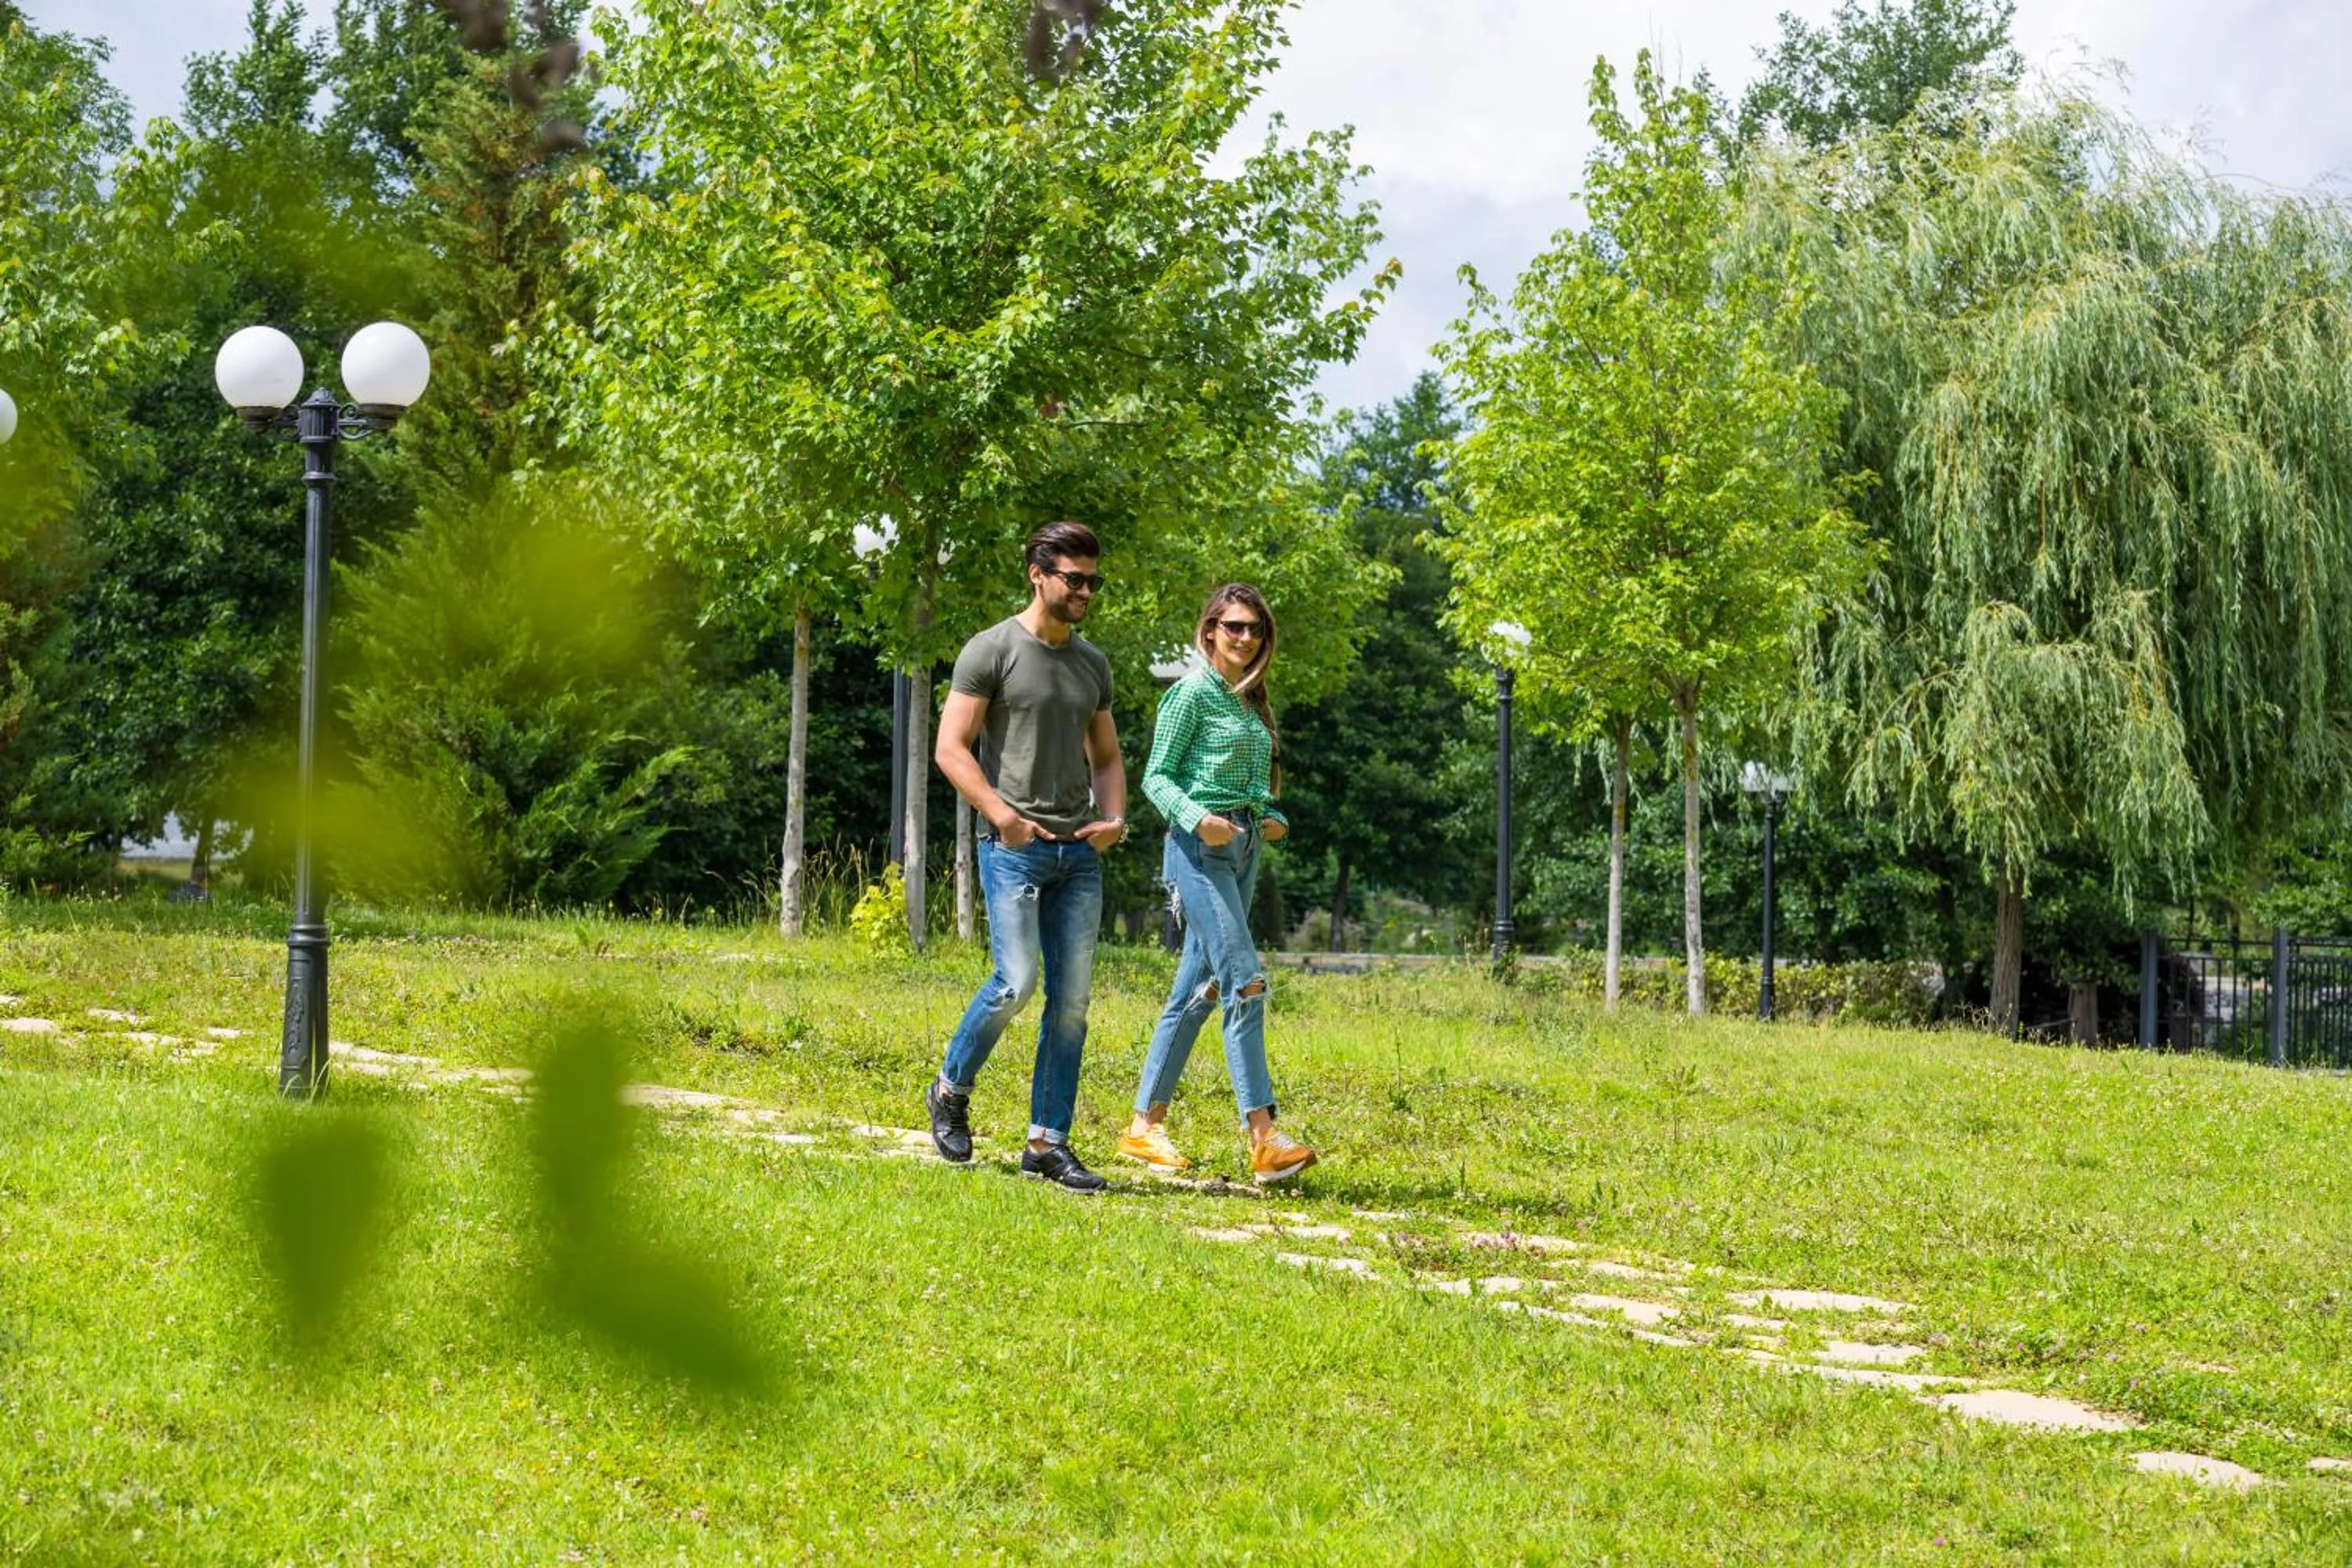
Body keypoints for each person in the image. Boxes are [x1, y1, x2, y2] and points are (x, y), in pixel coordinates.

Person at [926, 521, 1128, 1191]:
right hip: (1013, 849)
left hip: (1078, 855)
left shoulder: (1091, 663)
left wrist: (1113, 818)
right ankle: (951, 1089)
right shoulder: (991, 650)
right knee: (1014, 983)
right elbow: (951, 748)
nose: (1086, 592)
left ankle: (1047, 1143)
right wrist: (1001, 815)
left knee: (1070, 1005)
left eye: (1093, 582)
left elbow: (1105, 756)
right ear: (1037, 574)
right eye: (1075, 579)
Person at [1120, 583, 1318, 1185]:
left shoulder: (1250, 699)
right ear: (1209, 631)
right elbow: (1156, 777)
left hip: (1243, 847)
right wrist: (1196, 820)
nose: (1245, 637)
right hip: (1198, 849)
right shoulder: (1190, 694)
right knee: (1245, 982)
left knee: (1201, 989)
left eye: (1255, 628)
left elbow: (1256, 783)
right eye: (1233, 626)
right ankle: (1264, 1137)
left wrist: (1270, 815)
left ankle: (1142, 1127)